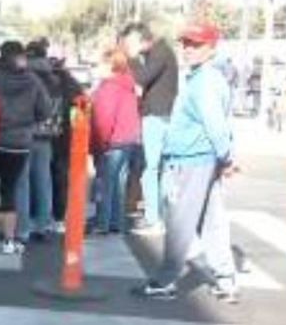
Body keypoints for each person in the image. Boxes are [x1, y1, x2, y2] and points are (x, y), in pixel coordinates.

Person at [133, 21, 239, 303]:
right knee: (211, 220)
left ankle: (166, 280)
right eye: (185, 43)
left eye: (196, 44)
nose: (188, 49)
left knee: (180, 222)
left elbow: (216, 124)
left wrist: (227, 156)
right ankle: (225, 279)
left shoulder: (203, 82)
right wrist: (225, 156)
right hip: (201, 158)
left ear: (211, 48)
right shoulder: (204, 78)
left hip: (191, 160)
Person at [0, 41, 51, 254]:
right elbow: (44, 111)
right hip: (19, 143)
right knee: (10, 190)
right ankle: (9, 241)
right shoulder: (32, 80)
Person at [121, 22, 179, 235]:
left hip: (156, 115)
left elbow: (142, 78)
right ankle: (159, 217)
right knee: (160, 169)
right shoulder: (162, 51)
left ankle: (154, 219)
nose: (128, 49)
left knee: (151, 169)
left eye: (131, 44)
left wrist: (133, 58)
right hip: (161, 114)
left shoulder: (159, 53)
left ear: (141, 40)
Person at [89, 48, 141, 235]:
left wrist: (100, 143)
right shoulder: (127, 84)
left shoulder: (109, 87)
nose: (96, 67)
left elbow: (103, 119)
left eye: (99, 63)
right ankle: (115, 222)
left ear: (109, 65)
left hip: (112, 140)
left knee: (105, 182)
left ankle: (103, 222)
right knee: (118, 182)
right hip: (127, 138)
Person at [17, 39, 61, 242]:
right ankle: (43, 225)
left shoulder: (24, 77)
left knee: (22, 182)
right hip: (47, 135)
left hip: (24, 133)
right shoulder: (54, 78)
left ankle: (23, 228)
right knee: (44, 180)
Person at [49, 58, 83, 233]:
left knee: (43, 178)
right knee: (62, 179)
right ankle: (59, 217)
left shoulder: (45, 84)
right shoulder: (73, 86)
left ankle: (41, 217)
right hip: (67, 138)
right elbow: (81, 114)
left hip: (46, 137)